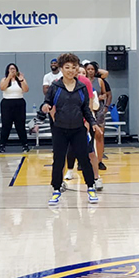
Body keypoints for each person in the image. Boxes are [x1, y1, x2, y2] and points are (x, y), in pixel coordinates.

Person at [42, 52, 99, 206]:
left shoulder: (81, 88)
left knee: (84, 159)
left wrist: (92, 122)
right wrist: (45, 107)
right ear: (61, 68)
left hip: (78, 129)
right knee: (58, 160)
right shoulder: (55, 87)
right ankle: (56, 189)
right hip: (59, 129)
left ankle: (91, 187)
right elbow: (47, 102)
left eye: (74, 67)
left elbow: (86, 109)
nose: (71, 70)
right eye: (67, 67)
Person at [0, 62, 30, 153]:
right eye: (10, 69)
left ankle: (25, 145)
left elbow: (26, 90)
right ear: (7, 70)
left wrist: (21, 80)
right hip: (7, 103)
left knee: (20, 125)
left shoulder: (20, 80)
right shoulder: (4, 79)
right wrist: (9, 77)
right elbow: (2, 88)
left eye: (14, 69)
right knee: (6, 125)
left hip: (19, 103)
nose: (12, 70)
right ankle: (2, 145)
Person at [84, 62, 107, 170]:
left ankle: (100, 161)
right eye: (88, 69)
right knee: (85, 136)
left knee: (99, 135)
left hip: (98, 110)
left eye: (92, 69)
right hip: (86, 109)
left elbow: (105, 94)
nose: (90, 71)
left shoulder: (99, 81)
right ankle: (84, 161)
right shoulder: (82, 81)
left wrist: (101, 97)